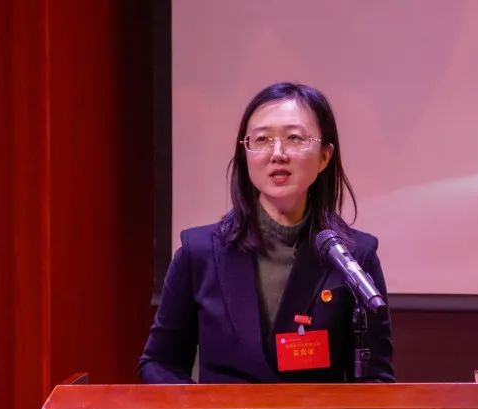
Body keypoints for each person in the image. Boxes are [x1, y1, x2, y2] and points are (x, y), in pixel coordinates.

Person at [139, 82, 394, 384]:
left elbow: (376, 378)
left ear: (325, 156)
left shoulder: (354, 256)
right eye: (261, 139)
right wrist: (201, 408)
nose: (278, 153)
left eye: (294, 138)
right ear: (245, 154)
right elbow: (159, 363)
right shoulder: (199, 253)